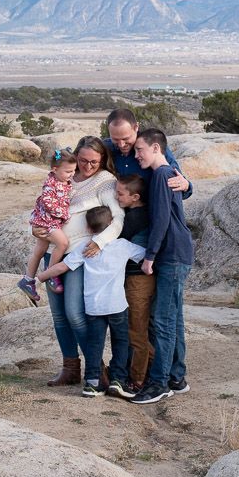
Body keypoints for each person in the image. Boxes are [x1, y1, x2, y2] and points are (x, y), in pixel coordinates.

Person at [36, 136, 124, 387]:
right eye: (83, 160)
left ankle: (96, 369)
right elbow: (43, 208)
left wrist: (100, 241)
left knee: (75, 314)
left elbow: (117, 218)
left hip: (79, 255)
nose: (87, 166)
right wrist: (37, 230)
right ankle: (70, 368)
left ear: (102, 160)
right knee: (59, 316)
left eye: (94, 161)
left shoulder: (106, 182)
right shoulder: (62, 176)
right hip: (53, 252)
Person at [36, 204, 145, 398]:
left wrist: (39, 278)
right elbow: (144, 256)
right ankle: (118, 381)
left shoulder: (84, 249)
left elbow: (61, 268)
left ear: (88, 229)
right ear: (111, 224)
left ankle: (92, 383)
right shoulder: (123, 245)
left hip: (94, 308)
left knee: (95, 345)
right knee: (121, 341)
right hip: (117, 305)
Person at [130, 128, 194, 405]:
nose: (136, 155)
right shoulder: (170, 175)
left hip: (170, 254)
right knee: (174, 317)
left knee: (163, 320)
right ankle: (177, 377)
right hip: (179, 252)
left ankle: (159, 384)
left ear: (156, 148)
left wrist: (150, 256)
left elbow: (161, 220)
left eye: (139, 150)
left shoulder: (160, 175)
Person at [17, 149, 76, 303]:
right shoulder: (51, 184)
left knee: (40, 250)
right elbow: (48, 204)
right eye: (68, 171)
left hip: (47, 220)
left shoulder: (63, 181)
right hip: (47, 220)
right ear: (54, 169)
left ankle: (28, 280)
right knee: (62, 243)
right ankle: (52, 274)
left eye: (74, 170)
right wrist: (64, 214)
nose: (72, 174)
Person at [113, 173, 154, 394]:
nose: (116, 197)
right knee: (139, 328)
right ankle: (153, 370)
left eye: (120, 193)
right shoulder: (139, 212)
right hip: (138, 278)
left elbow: (115, 240)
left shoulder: (135, 217)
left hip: (138, 279)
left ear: (135, 196)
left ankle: (138, 379)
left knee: (136, 330)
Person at [103, 107, 193, 198]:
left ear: (136, 127)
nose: (121, 144)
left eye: (126, 139)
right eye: (115, 139)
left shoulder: (152, 147)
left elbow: (179, 186)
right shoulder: (105, 148)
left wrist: (186, 186)